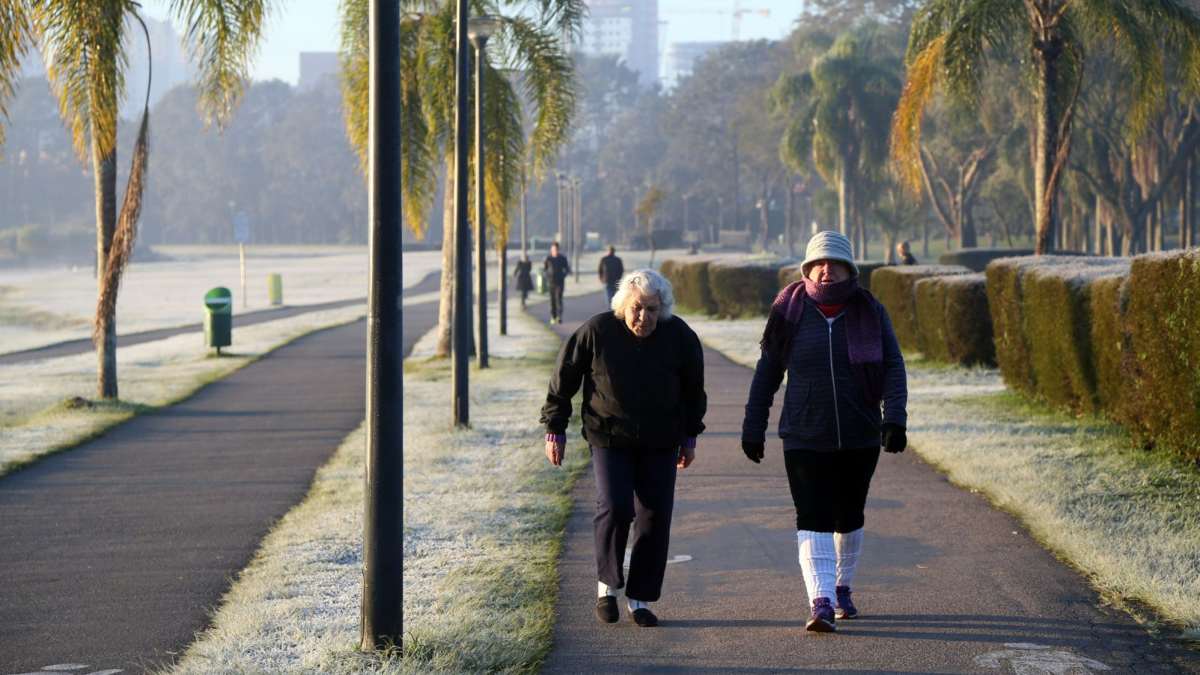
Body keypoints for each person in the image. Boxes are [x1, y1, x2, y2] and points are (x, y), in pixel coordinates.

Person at [741, 230, 908, 633]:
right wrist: (753, 425)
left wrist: (894, 418)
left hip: (859, 432)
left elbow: (893, 367)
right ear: (808, 269)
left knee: (849, 514)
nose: (827, 270)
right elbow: (767, 372)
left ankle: (842, 587)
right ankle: (820, 601)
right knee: (811, 515)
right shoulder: (789, 312)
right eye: (819, 263)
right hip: (804, 433)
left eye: (835, 263)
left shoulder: (870, 311)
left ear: (849, 269)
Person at [541, 269, 707, 628]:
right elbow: (564, 377)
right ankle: (607, 586)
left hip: (661, 440)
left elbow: (694, 390)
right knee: (615, 507)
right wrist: (555, 427)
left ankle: (640, 598)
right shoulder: (598, 330)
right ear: (622, 305)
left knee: (653, 515)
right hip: (608, 434)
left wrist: (690, 437)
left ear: (661, 309)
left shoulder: (678, 335)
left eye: (651, 309)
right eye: (636, 308)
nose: (643, 317)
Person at [543, 242, 571, 324]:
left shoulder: (562, 258)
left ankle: (559, 316)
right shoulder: (548, 259)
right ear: (551, 250)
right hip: (551, 282)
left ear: (558, 250)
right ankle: (553, 316)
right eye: (553, 249)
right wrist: (547, 276)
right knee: (552, 300)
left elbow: (567, 269)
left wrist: (563, 275)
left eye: (556, 249)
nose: (554, 251)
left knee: (559, 299)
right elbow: (544, 269)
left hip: (560, 282)